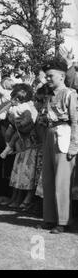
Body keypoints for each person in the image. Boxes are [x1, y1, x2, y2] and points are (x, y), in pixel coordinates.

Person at [38, 60, 78, 234]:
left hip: (64, 134)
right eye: (46, 76)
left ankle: (63, 221)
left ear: (62, 76)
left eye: (50, 75)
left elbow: (76, 120)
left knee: (62, 181)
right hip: (49, 134)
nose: (47, 79)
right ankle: (50, 218)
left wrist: (74, 144)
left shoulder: (70, 94)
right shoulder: (50, 95)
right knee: (48, 179)